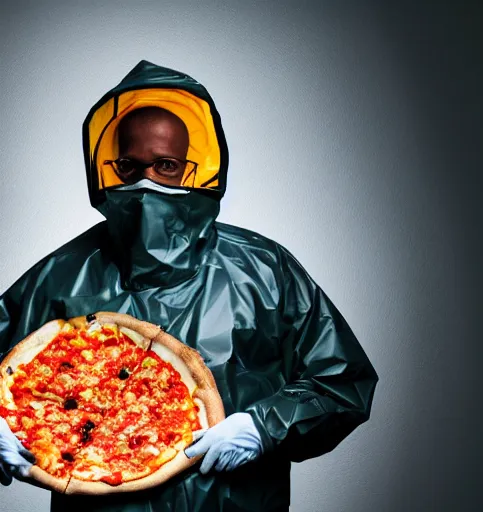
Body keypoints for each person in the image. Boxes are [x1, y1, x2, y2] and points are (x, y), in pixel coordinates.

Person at [0, 60, 379, 512]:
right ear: (110, 167)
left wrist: (264, 427)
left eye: (165, 165)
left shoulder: (262, 269)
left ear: (193, 167)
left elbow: (343, 381)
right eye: (130, 165)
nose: (147, 181)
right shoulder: (62, 272)